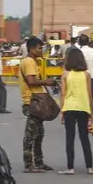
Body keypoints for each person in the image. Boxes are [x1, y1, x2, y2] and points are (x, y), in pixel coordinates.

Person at [18, 36, 56, 172]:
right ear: (32, 48)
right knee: (31, 134)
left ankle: (39, 162)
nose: (42, 50)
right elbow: (31, 81)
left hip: (36, 100)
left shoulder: (33, 61)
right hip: (32, 101)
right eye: (40, 48)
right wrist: (47, 82)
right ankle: (29, 164)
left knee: (39, 133)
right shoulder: (29, 62)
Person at [59, 47, 93, 175]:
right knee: (84, 137)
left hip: (69, 107)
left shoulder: (65, 74)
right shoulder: (86, 74)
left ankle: (70, 167)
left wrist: (61, 110)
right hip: (83, 107)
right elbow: (90, 94)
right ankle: (90, 167)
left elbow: (63, 93)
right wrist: (91, 112)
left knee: (70, 137)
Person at [78, 35, 93, 120]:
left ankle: (85, 112)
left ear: (79, 42)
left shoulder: (78, 51)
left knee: (84, 96)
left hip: (83, 76)